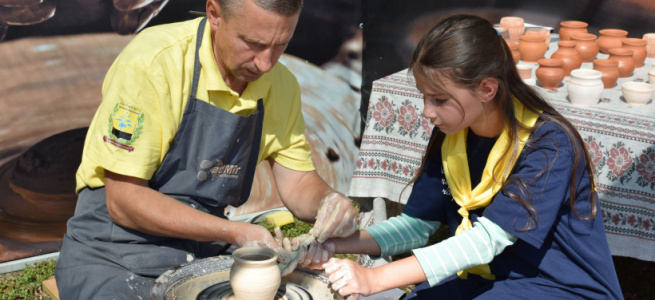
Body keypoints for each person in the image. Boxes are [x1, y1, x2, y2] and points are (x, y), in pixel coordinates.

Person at [53, 0, 357, 298]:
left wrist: (327, 201)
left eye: (279, 45)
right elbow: (123, 200)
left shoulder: (281, 84)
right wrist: (234, 232)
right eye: (253, 43)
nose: (265, 63)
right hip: (115, 249)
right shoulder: (153, 62)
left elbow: (299, 182)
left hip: (202, 249)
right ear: (214, 14)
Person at [312, 14, 624, 299]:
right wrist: (333, 245)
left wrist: (374, 279)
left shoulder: (548, 146)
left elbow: (486, 241)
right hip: (490, 277)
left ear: (487, 89)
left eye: (439, 99)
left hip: (560, 285)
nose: (426, 112)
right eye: (424, 97)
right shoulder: (453, 134)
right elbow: (417, 226)